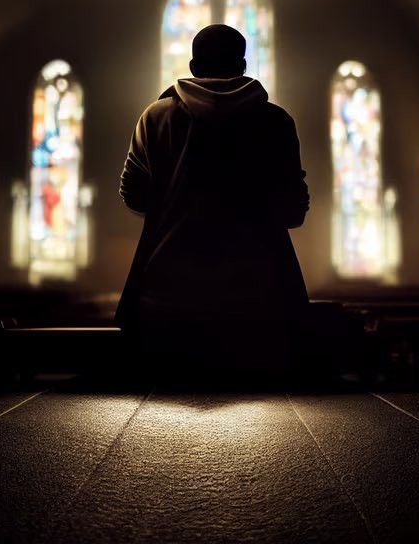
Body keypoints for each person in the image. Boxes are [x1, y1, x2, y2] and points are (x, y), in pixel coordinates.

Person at [115, 24, 310, 379]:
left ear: (193, 66)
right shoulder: (276, 121)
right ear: (243, 64)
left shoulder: (156, 117)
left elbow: (134, 194)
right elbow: (294, 210)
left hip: (167, 297)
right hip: (259, 299)